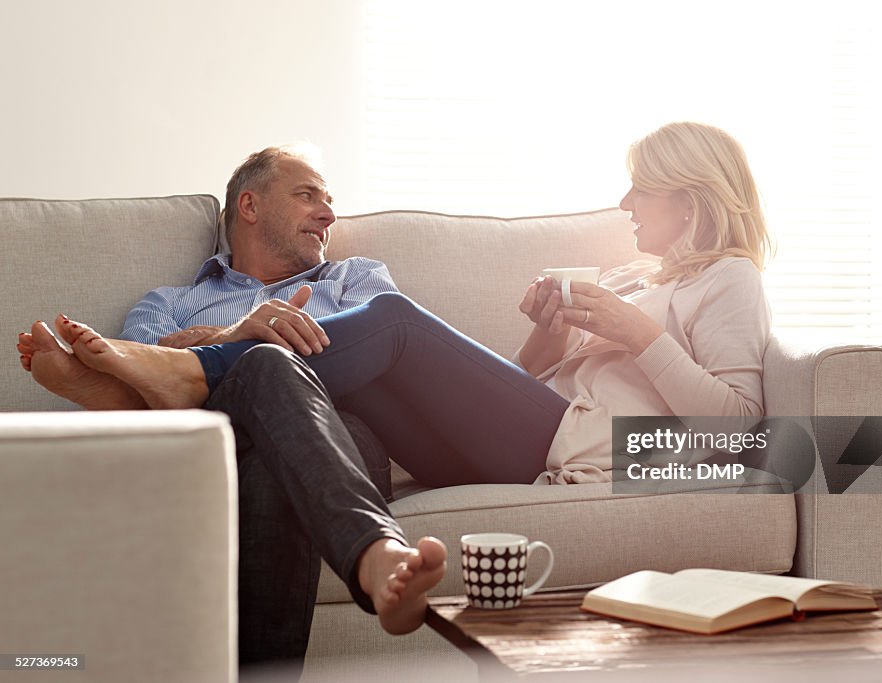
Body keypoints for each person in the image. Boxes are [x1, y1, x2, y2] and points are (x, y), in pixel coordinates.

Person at [19, 119, 773, 666]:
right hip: (543, 430)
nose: (626, 199)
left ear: (691, 194)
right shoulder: (633, 278)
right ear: (246, 208)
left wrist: (632, 331)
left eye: (642, 184)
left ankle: (183, 384)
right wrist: (550, 333)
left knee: (380, 323)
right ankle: (225, 398)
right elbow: (542, 381)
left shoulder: (728, 277)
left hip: (583, 447)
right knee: (270, 366)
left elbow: (741, 426)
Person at [16, 144, 447, 681]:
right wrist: (236, 333)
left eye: (330, 201)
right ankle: (374, 554)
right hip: (210, 450)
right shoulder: (167, 303)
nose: (329, 213)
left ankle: (163, 381)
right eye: (308, 195)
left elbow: (388, 362)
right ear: (249, 205)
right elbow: (141, 385)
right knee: (252, 444)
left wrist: (216, 345)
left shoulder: (354, 279)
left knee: (266, 391)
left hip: (336, 434)